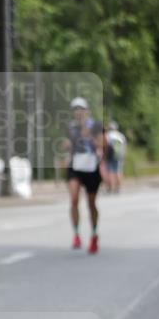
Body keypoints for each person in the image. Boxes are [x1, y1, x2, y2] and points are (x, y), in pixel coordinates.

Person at [63, 97, 104, 254]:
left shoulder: (95, 125)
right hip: (75, 165)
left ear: (86, 110)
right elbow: (67, 143)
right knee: (74, 199)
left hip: (91, 166)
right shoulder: (70, 127)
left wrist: (91, 138)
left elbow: (102, 145)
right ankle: (76, 234)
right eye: (75, 109)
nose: (78, 112)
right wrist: (66, 145)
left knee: (91, 204)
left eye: (81, 108)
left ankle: (94, 235)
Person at [104, 121, 126, 192]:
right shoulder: (121, 136)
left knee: (110, 172)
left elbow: (106, 146)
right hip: (119, 156)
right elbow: (124, 147)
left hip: (110, 156)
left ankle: (110, 188)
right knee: (118, 171)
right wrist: (123, 156)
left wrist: (105, 155)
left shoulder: (108, 135)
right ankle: (118, 188)